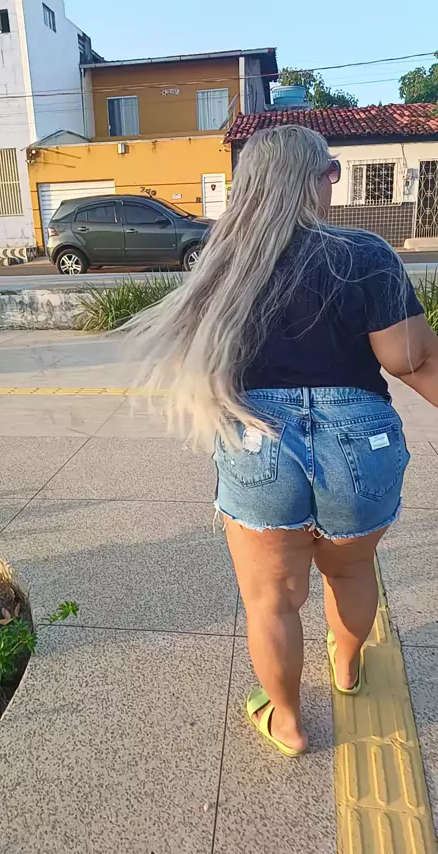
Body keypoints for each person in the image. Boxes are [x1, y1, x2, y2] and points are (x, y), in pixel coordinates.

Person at [121, 126, 438, 756]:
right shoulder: (364, 253)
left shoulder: (224, 258)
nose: (334, 181)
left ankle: (288, 722)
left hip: (257, 439)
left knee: (273, 598)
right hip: (360, 440)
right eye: (331, 171)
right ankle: (346, 666)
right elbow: (409, 359)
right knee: (350, 571)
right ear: (316, 177)